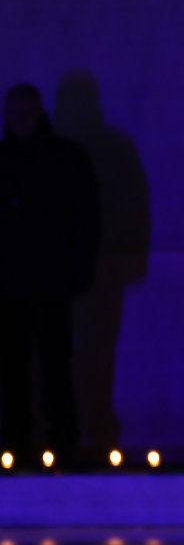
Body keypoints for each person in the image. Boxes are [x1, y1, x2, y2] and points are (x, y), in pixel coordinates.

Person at [0, 83, 99, 466]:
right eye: (15, 113)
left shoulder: (66, 160)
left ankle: (62, 446)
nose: (21, 121)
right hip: (11, 287)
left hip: (52, 286)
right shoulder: (14, 159)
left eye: (26, 112)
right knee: (14, 371)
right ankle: (17, 446)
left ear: (39, 113)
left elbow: (86, 222)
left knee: (56, 367)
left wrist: (76, 273)